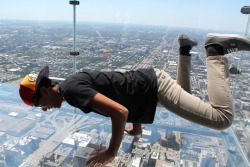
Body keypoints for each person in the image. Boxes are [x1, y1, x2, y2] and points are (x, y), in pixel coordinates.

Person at [19, 33, 250, 166]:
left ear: (45, 91)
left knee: (221, 119)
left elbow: (119, 111)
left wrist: (111, 151)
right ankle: (184, 50)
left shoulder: (71, 92)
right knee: (187, 98)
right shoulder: (71, 84)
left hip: (155, 88)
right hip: (149, 85)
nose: (46, 110)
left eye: (41, 107)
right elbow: (121, 93)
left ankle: (216, 50)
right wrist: (136, 128)